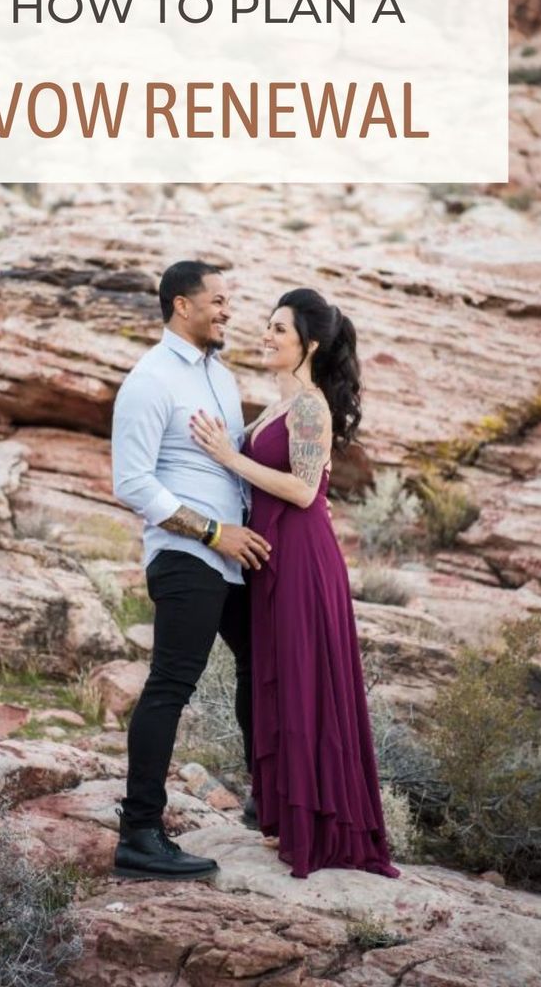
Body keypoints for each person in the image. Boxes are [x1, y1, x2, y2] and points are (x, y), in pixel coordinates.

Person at [190, 287, 401, 880]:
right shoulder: (277, 408)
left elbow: (306, 491)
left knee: (309, 686)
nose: (267, 335)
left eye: (279, 329)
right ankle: (290, 818)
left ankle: (324, 830)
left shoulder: (308, 407)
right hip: (273, 556)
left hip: (304, 559)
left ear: (307, 345)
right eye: (267, 325)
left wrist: (227, 458)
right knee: (283, 684)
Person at [111, 259, 271, 880]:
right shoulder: (150, 381)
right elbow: (131, 481)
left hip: (231, 555)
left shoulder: (221, 379)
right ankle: (140, 833)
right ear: (183, 305)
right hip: (187, 555)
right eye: (219, 300)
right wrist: (211, 532)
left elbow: (230, 466)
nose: (228, 310)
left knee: (264, 665)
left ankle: (269, 801)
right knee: (172, 683)